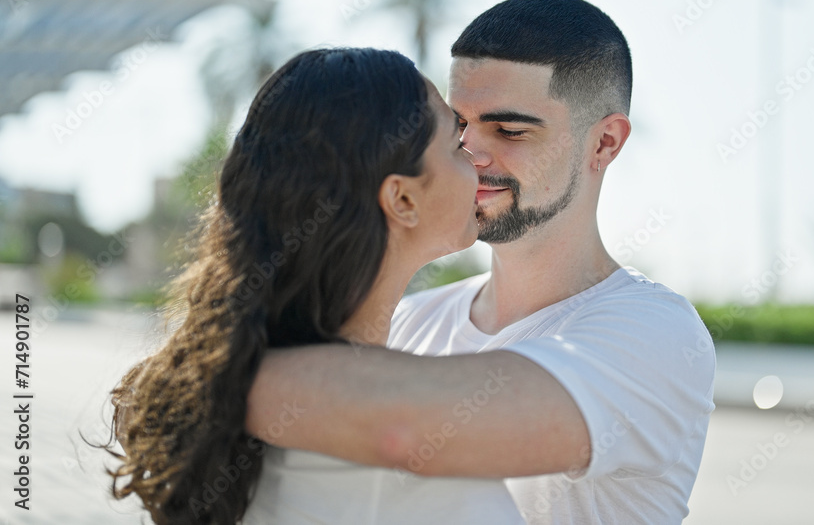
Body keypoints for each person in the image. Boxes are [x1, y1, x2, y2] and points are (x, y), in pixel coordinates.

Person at [246, 0, 717, 524]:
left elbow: (405, 428)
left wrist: (213, 376)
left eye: (510, 131)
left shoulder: (656, 334)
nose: (472, 153)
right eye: (459, 127)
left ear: (604, 142)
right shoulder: (413, 319)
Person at [101, 47, 524, 524]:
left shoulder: (242, 393)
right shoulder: (415, 455)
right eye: (456, 144)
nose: (481, 163)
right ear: (402, 199)